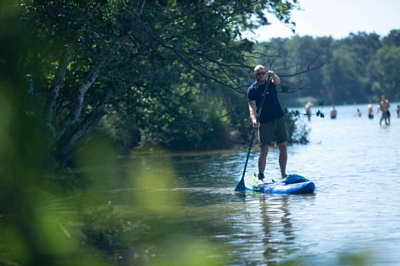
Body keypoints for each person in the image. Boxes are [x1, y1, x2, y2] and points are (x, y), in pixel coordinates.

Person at [247, 65, 288, 186]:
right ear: (255, 75)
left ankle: (283, 174)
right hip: (264, 122)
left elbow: (277, 81)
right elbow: (252, 108)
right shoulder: (252, 90)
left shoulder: (271, 83)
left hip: (278, 118)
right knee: (264, 150)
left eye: (263, 73)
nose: (261, 75)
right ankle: (260, 177)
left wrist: (273, 75)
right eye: (259, 74)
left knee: (283, 148)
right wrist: (254, 120)